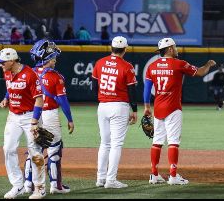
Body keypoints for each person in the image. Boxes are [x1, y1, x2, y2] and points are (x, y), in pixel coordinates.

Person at [144, 37, 216, 185]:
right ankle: (173, 176)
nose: (177, 49)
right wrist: (208, 64)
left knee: (157, 141)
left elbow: (147, 88)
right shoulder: (179, 64)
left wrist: (146, 107)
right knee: (173, 142)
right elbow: (200, 72)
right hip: (173, 108)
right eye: (175, 47)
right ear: (170, 49)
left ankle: (154, 174)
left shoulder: (152, 66)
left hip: (158, 107)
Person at [0, 47, 47, 200]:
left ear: (12, 61)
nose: (0, 65)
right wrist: (6, 98)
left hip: (30, 117)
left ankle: (39, 188)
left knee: (35, 152)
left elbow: (39, 100)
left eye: (2, 62)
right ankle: (18, 185)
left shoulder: (30, 74)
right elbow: (10, 87)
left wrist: (35, 122)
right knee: (8, 149)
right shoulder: (7, 72)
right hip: (13, 116)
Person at [23, 40, 74, 195]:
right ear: (47, 58)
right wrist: (70, 119)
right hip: (50, 114)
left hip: (32, 115)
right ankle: (55, 185)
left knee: (33, 148)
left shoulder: (28, 73)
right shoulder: (55, 77)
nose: (55, 60)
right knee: (54, 148)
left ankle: (28, 184)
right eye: (53, 57)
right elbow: (63, 101)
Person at [91, 36, 138, 189]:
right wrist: (134, 110)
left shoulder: (100, 62)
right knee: (116, 144)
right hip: (119, 106)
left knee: (105, 143)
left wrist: (103, 98)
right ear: (125, 49)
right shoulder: (127, 66)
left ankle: (100, 178)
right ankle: (111, 180)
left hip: (103, 106)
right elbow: (132, 90)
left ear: (111, 48)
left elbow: (94, 87)